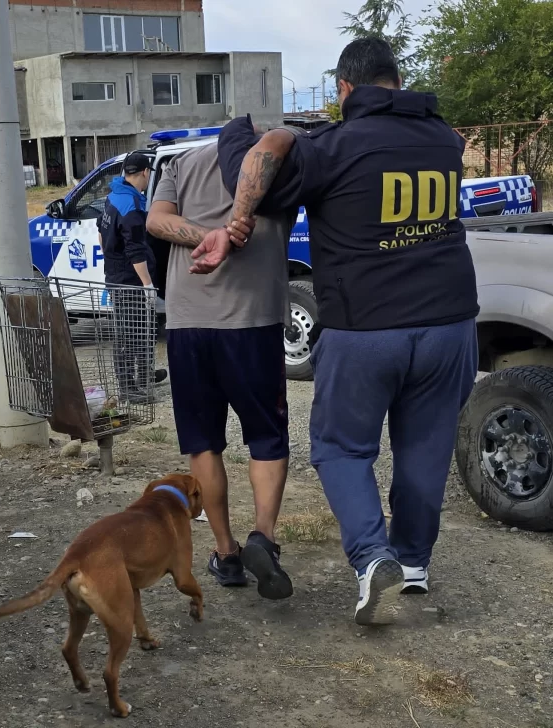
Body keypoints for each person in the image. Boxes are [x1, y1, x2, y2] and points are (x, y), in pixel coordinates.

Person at [193, 37, 479, 625]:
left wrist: (239, 134)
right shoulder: (445, 142)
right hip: (450, 323)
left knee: (340, 447)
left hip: (367, 327)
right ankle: (415, 562)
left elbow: (251, 176)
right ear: (396, 81)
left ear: (345, 89)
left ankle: (374, 558)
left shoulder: (333, 146)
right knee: (424, 448)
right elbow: (442, 145)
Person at [146, 138, 299, 600]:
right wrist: (229, 234)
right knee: (267, 438)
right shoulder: (284, 160)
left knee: (203, 443)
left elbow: (155, 221)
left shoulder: (180, 161)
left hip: (189, 322)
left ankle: (226, 552)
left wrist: (203, 234)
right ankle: (264, 539)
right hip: (252, 322)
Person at [98, 152, 167, 402]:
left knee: (143, 329)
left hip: (118, 273)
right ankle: (128, 388)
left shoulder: (114, 196)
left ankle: (144, 375)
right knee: (130, 333)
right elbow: (135, 249)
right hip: (129, 280)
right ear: (146, 173)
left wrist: (110, 259)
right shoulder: (131, 206)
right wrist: (147, 284)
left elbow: (101, 231)